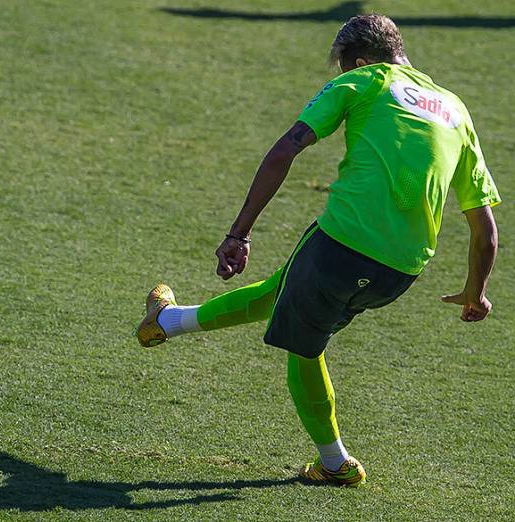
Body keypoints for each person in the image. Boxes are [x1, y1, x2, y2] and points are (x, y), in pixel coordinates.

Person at [135, 13, 500, 487]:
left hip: (340, 246)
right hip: (401, 272)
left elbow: (286, 149)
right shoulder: (456, 109)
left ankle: (334, 463)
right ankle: (165, 322)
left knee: (305, 347)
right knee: (281, 295)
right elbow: (485, 230)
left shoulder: (364, 81)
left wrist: (239, 234)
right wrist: (475, 293)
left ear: (362, 61)